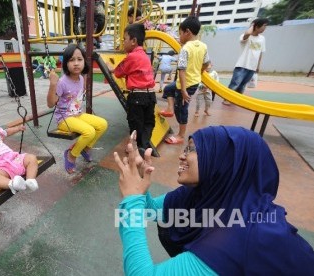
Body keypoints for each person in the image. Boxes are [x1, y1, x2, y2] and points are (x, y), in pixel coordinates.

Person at [114, 126, 314, 275]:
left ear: (225, 162)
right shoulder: (203, 194)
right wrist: (139, 187)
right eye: (185, 149)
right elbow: (152, 212)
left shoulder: (240, 235)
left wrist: (132, 201)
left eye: (192, 149)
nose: (182, 156)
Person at [47, 44, 108, 174]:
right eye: (71, 60)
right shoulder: (62, 82)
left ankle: (85, 149)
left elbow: (79, 93)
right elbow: (51, 104)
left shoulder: (81, 78)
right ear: (65, 63)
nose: (76, 63)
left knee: (103, 124)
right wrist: (53, 85)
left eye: (79, 59)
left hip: (77, 114)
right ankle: (71, 155)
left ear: (84, 62)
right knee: (89, 131)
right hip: (64, 119)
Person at [108, 23, 157, 157]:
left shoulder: (131, 57)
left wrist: (110, 67)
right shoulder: (145, 56)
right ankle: (143, 145)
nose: (123, 42)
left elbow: (118, 72)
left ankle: (136, 148)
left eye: (125, 39)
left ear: (133, 41)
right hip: (150, 95)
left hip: (137, 97)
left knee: (135, 124)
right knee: (149, 122)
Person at [160, 16, 210, 144]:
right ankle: (170, 109)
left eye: (180, 33)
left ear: (187, 32)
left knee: (181, 109)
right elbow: (207, 63)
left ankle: (181, 136)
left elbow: (181, 70)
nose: (179, 36)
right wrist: (199, 72)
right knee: (168, 89)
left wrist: (183, 90)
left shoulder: (185, 48)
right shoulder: (203, 46)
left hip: (186, 85)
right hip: (193, 81)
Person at [223, 18, 268, 106]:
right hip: (242, 65)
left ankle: (237, 100)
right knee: (235, 83)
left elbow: (260, 53)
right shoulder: (246, 36)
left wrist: (258, 66)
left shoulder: (262, 39)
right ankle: (227, 99)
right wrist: (252, 25)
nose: (265, 28)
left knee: (242, 85)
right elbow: (247, 33)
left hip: (252, 66)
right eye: (264, 26)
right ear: (257, 26)